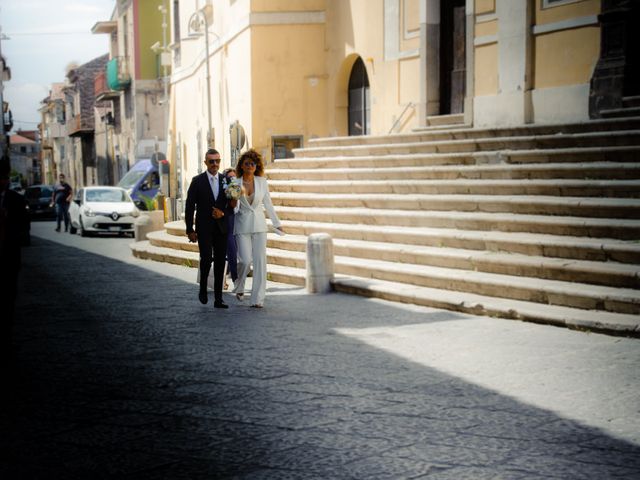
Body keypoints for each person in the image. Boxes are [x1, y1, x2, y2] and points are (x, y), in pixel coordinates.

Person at [185, 148, 237, 309]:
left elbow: (234, 205)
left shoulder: (227, 181)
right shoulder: (197, 181)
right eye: (211, 161)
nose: (215, 164)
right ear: (205, 163)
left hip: (222, 227)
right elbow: (189, 206)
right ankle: (202, 289)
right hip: (204, 227)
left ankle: (219, 299)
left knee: (221, 261)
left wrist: (223, 212)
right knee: (206, 258)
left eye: (217, 161)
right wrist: (190, 229)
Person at [233, 149, 284, 308]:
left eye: (252, 164)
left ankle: (257, 299)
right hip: (242, 225)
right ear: (241, 165)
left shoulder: (262, 182)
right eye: (246, 163)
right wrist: (233, 198)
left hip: (260, 226)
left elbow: (268, 203)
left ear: (256, 166)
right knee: (245, 260)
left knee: (260, 262)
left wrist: (276, 223)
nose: (249, 166)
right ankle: (239, 286)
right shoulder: (235, 183)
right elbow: (233, 207)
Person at [0, 156, 28, 363]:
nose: (4, 180)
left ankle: (6, 339)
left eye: (5, 177)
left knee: (8, 299)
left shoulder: (17, 200)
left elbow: (24, 228)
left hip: (9, 257)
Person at [222, 167, 238, 291]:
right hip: (227, 223)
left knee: (231, 253)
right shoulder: (226, 188)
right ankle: (235, 280)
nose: (233, 179)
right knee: (231, 253)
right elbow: (232, 204)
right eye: (230, 177)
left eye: (234, 177)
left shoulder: (239, 185)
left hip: (240, 224)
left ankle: (224, 280)